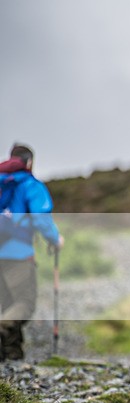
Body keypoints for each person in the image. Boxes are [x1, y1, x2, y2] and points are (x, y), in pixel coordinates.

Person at [0, 144, 63, 361]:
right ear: (29, 162)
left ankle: (11, 356)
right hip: (18, 254)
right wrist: (55, 240)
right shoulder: (29, 184)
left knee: (8, 303)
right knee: (24, 304)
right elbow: (40, 217)